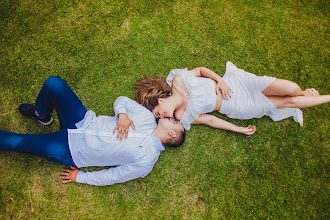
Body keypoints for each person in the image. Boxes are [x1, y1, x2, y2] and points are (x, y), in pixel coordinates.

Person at [0, 76, 185, 186]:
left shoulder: (146, 161)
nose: (171, 118)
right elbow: (122, 100)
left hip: (70, 150)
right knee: (53, 83)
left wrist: (82, 177)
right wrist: (121, 114)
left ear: (171, 134)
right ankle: (41, 114)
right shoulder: (146, 118)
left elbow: (113, 176)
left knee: (20, 143)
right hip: (82, 120)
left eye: (175, 124)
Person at [133, 61, 330, 134]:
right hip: (238, 105)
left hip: (236, 85)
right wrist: (238, 128)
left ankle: (304, 93)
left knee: (292, 88)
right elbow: (210, 120)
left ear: (160, 100)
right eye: (159, 118)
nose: (162, 117)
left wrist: (220, 81)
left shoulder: (178, 81)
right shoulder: (181, 116)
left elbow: (202, 70)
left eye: (158, 113)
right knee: (290, 101)